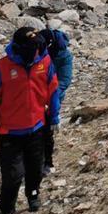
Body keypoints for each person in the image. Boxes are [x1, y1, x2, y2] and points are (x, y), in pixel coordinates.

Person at [0, 27, 61, 214]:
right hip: (10, 131)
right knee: (12, 175)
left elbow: (53, 90)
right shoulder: (3, 67)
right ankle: (6, 210)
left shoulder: (44, 62)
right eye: (32, 47)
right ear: (19, 47)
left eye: (38, 46)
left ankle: (33, 195)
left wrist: (54, 116)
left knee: (35, 168)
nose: (36, 51)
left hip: (37, 126)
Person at [37, 28, 73, 175]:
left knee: (47, 131)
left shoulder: (63, 55)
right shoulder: (36, 49)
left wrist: (51, 98)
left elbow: (64, 80)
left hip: (52, 98)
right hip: (34, 97)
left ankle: (47, 162)